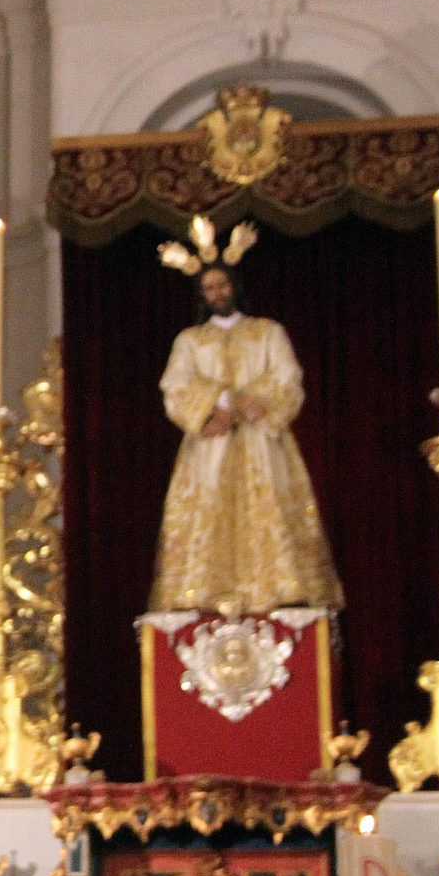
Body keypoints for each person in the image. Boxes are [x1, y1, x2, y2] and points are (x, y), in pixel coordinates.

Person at [149, 222, 343, 613]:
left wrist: (251, 405)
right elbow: (175, 385)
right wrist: (215, 405)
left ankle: (279, 587)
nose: (217, 293)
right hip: (211, 442)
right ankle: (202, 592)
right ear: (201, 295)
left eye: (222, 285)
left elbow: (288, 376)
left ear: (234, 287)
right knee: (207, 509)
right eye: (209, 288)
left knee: (268, 505)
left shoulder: (268, 332)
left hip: (261, 440)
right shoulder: (190, 340)